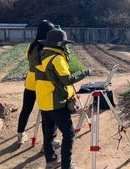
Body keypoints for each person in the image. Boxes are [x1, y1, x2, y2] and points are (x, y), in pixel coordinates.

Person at [35, 29, 92, 169]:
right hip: (55, 102)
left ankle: (51, 160)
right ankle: (66, 165)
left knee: (48, 134)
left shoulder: (41, 55)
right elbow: (67, 80)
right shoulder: (57, 58)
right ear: (60, 44)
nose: (66, 47)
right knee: (69, 133)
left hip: (43, 100)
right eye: (65, 44)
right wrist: (85, 72)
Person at [17, 20, 60, 151]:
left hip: (31, 82)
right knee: (47, 115)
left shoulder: (31, 46)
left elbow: (28, 58)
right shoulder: (48, 48)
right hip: (44, 83)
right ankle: (48, 144)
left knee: (26, 110)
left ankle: (20, 134)